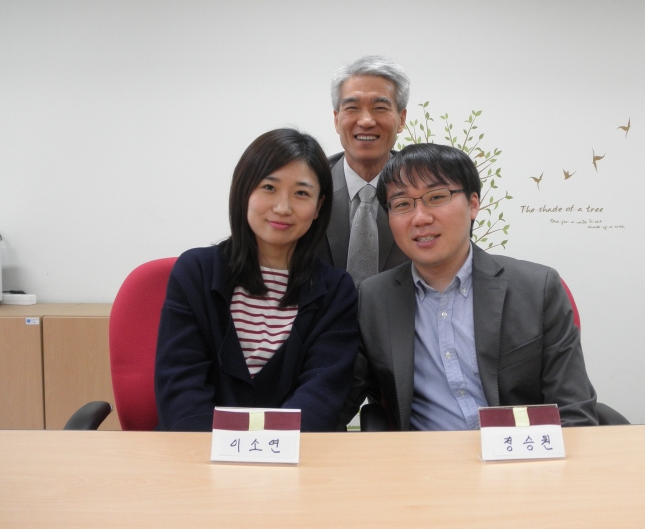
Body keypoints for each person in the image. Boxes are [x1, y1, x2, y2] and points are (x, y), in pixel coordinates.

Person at [341, 143, 598, 430]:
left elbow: (574, 412)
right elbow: (340, 396)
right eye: (402, 204)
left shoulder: (537, 289)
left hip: (519, 452)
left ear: (473, 204)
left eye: (437, 197)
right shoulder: (374, 298)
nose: (420, 217)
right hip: (424, 455)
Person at [156, 129, 359, 432]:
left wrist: (270, 448)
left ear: (318, 207)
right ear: (244, 191)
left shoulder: (336, 290)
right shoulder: (195, 272)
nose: (282, 207)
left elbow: (322, 394)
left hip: (297, 451)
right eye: (269, 187)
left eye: (301, 193)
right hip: (197, 450)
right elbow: (181, 386)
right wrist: (215, 453)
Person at [317, 56, 411, 286]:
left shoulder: (424, 189)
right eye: (352, 108)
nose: (366, 121)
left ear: (401, 119)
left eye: (380, 108)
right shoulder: (311, 185)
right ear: (337, 120)